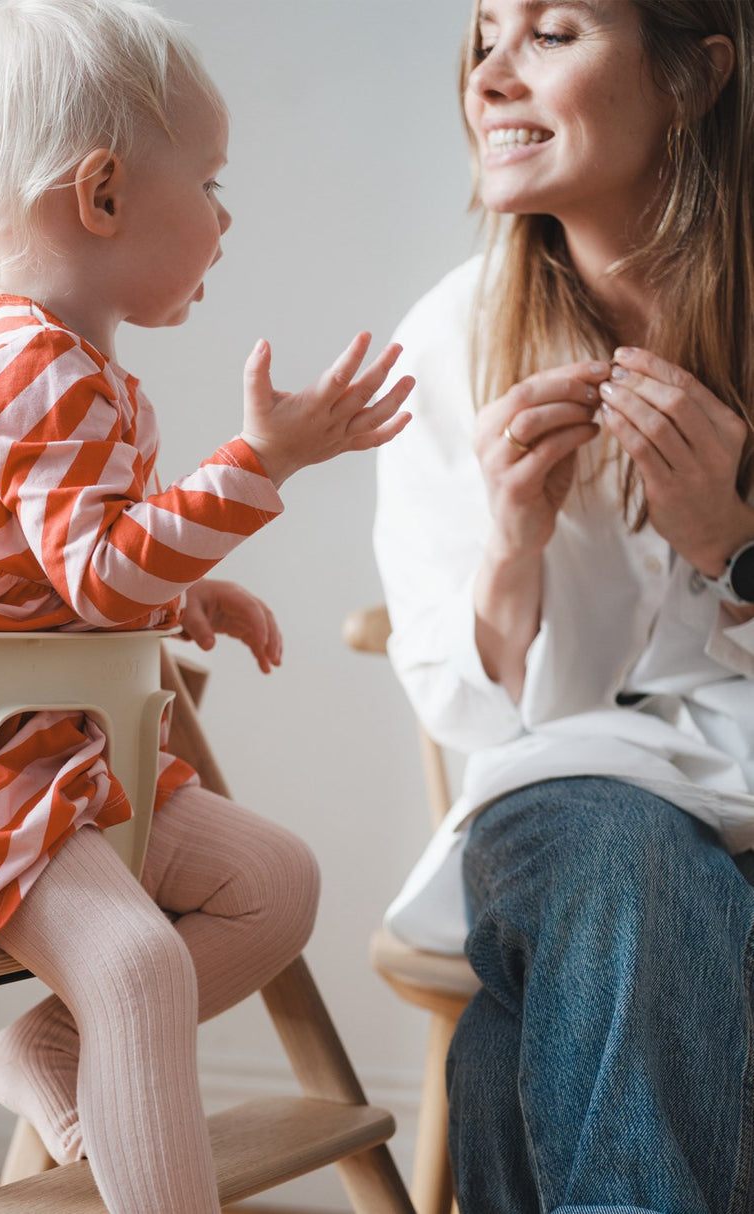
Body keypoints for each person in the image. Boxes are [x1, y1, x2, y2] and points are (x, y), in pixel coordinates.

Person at [0, 2, 412, 1211]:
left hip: (56, 758)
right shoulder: (24, 361)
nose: (226, 221)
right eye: (211, 183)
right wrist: (261, 464)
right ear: (101, 195)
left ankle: (53, 1051)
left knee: (273, 882)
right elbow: (95, 575)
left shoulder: (82, 371)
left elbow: (65, 576)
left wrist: (178, 593)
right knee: (137, 964)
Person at [372, 1, 754, 1211]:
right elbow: (468, 716)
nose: (488, 73)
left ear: (693, 79)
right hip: (572, 810)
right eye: (483, 32)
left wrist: (730, 547)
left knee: (505, 1046)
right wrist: (510, 546)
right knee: (618, 858)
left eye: (551, 32)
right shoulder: (446, 342)